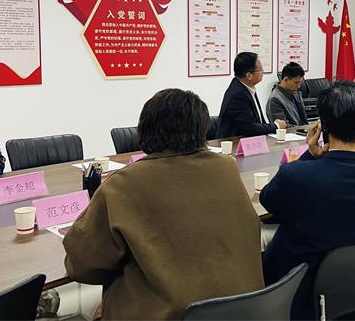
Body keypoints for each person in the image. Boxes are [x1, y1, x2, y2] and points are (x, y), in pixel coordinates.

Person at [63, 89, 264, 320]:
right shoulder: (226, 167)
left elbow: (82, 265)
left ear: (144, 129)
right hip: (243, 308)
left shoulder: (124, 184)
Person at [260, 81, 355, 320]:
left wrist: (309, 157)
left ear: (323, 128)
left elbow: (268, 201)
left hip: (300, 298)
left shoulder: (296, 176)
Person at [216, 52, 287, 138]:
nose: (263, 72)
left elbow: (258, 122)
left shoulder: (246, 87)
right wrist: (276, 126)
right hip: (234, 143)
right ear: (249, 75)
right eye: (260, 69)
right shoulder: (238, 95)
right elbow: (249, 128)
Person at [267, 61, 308, 127]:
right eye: (296, 83)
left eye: (300, 83)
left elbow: (303, 121)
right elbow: (283, 127)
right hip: (292, 133)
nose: (298, 86)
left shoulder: (295, 93)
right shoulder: (275, 100)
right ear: (286, 80)